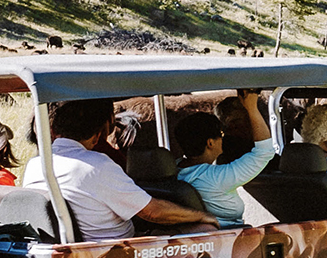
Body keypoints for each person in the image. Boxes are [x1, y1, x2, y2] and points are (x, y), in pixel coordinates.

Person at [20, 97, 214, 241]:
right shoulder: (97, 165)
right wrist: (201, 215)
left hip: (72, 245)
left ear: (54, 130)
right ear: (97, 136)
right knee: (207, 231)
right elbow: (151, 212)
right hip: (114, 249)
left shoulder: (36, 163)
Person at [175, 89, 279, 225]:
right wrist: (252, 107)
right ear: (210, 143)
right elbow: (264, 152)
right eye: (222, 134)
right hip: (229, 237)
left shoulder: (176, 169)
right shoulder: (216, 177)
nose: (226, 138)